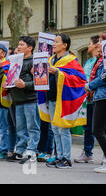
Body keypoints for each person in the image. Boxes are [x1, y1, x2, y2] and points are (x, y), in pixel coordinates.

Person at [43, 34, 87, 169]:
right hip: (51, 97)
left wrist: (58, 72)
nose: (53, 44)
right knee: (55, 129)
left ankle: (66, 159)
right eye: (53, 42)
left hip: (63, 99)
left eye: (56, 42)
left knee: (63, 129)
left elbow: (80, 79)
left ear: (65, 45)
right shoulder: (50, 60)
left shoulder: (71, 61)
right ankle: (59, 156)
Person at [8, 36, 40, 164]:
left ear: (30, 48)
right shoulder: (16, 61)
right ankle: (20, 151)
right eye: (18, 44)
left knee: (32, 127)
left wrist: (25, 85)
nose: (18, 47)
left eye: (21, 45)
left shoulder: (35, 62)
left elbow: (40, 82)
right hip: (18, 100)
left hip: (30, 99)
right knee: (20, 128)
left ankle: (32, 151)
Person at [74, 35, 99, 164]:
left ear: (96, 45)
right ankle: (87, 153)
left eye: (90, 43)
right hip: (86, 99)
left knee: (98, 128)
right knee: (87, 127)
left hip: (97, 98)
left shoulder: (100, 61)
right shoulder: (88, 62)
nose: (88, 46)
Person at [85, 33, 106, 173]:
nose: (98, 44)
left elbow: (104, 77)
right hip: (99, 96)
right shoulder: (100, 60)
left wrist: (89, 86)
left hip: (102, 96)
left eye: (99, 41)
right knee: (100, 130)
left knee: (97, 130)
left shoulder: (103, 60)